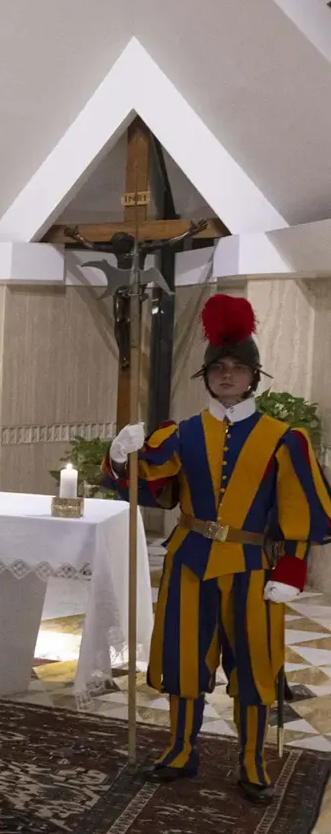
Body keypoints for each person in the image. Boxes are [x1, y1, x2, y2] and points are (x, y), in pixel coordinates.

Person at [104, 294, 331, 802]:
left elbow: (300, 510)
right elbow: (147, 485)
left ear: (253, 377)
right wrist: (122, 458)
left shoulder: (283, 439)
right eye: (218, 368)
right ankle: (180, 749)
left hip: (253, 566)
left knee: (253, 663)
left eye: (237, 368)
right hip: (189, 560)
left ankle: (251, 759)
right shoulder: (181, 434)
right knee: (184, 658)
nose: (227, 376)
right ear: (206, 376)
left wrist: (291, 570)